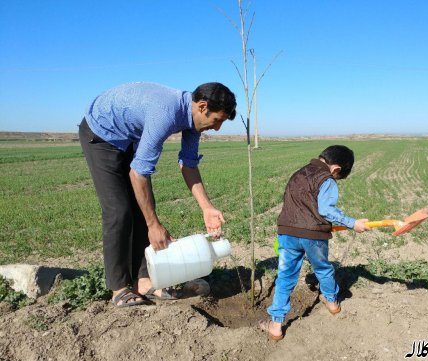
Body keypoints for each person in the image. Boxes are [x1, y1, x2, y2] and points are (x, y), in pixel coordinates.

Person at [79, 82, 237, 308]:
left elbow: (189, 165)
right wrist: (154, 225)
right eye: (217, 120)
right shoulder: (166, 113)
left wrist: (207, 208)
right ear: (202, 107)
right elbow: (138, 174)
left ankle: (144, 281)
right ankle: (119, 287)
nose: (218, 127)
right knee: (119, 211)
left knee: (144, 207)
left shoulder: (193, 121)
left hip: (129, 137)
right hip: (102, 133)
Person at [259, 145, 371, 340]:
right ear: (336, 169)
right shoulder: (326, 179)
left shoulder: (298, 174)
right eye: (338, 176)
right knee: (323, 269)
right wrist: (353, 223)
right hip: (314, 237)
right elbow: (326, 210)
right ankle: (332, 302)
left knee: (285, 276)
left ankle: (276, 325)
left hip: (288, 232)